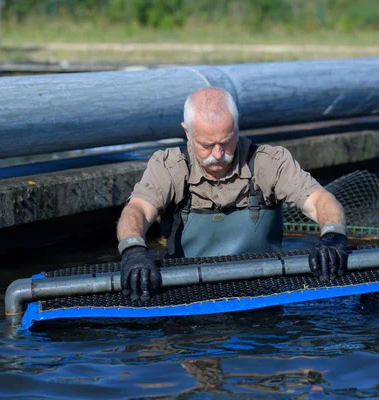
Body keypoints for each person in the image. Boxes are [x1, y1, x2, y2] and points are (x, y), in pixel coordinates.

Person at [116, 87, 348, 300]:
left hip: (263, 293)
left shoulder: (270, 162)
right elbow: (138, 209)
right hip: (186, 294)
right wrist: (134, 250)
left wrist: (332, 235)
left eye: (226, 142)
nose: (218, 154)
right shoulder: (168, 165)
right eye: (206, 145)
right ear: (187, 132)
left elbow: (319, 200)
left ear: (238, 126)